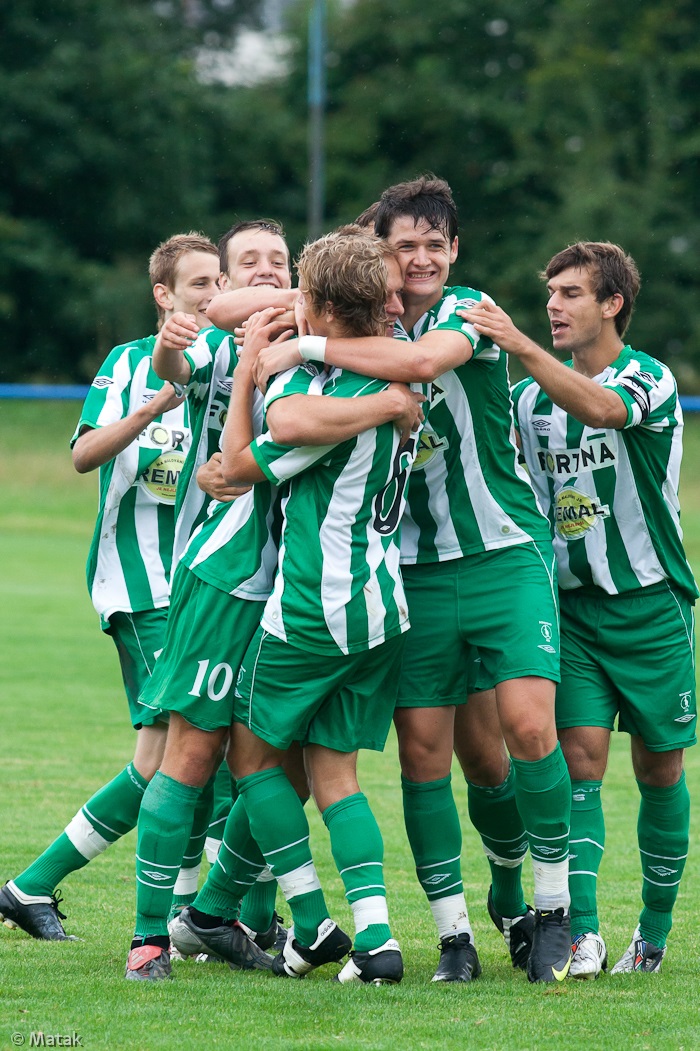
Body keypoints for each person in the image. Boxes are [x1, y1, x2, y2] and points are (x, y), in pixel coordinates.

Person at [253, 176, 572, 984]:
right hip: (414, 575)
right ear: (380, 251)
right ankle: (454, 934)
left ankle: (547, 905)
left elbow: (424, 361)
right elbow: (258, 313)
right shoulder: (365, 317)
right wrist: (288, 322)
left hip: (503, 552)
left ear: (455, 251)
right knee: (428, 754)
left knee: (523, 734)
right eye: (406, 245)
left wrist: (308, 345)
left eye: (436, 242)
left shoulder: (468, 310)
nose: (423, 257)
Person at [125, 232, 422, 981]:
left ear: (311, 291)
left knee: (271, 766)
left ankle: (265, 915)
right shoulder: (271, 338)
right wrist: (260, 350)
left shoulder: (318, 366)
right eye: (248, 261)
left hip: (298, 599)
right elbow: (187, 377)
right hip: (231, 578)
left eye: (279, 265)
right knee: (194, 755)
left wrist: (268, 366)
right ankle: (150, 936)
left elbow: (240, 462)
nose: (263, 276)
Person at [466, 241, 697, 977]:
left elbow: (603, 408)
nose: (554, 306)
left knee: (661, 766)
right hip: (571, 609)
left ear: (612, 304)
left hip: (652, 605)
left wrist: (519, 345)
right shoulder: (528, 401)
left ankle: (652, 934)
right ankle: (585, 931)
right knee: (580, 761)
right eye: (549, 294)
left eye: (570, 294)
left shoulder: (649, 379)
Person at [0, 233, 220, 941]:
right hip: (140, 587)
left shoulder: (229, 366)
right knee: (185, 753)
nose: (213, 295)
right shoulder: (128, 363)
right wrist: (147, 413)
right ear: (164, 295)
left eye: (221, 281)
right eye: (199, 285)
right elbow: (82, 455)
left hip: (203, 588)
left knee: (170, 758)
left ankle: (32, 887)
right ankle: (198, 915)